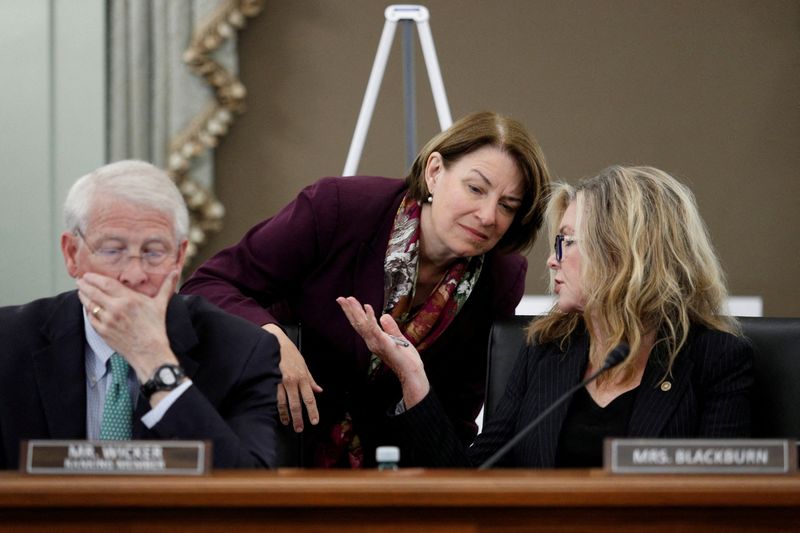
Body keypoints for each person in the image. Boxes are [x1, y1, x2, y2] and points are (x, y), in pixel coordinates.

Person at [180, 111, 551, 467]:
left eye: (507, 205)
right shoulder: (339, 207)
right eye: (475, 188)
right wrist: (271, 341)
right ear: (435, 171)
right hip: (277, 446)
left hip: (392, 478)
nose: (488, 215)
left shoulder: (501, 277)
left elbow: (456, 419)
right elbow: (207, 285)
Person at [338, 165, 754, 468]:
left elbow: (721, 507)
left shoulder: (714, 361)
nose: (553, 263)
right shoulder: (546, 351)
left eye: (568, 243)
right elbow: (473, 482)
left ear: (626, 254)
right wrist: (414, 380)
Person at [0, 160, 281, 470]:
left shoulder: (243, 351)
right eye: (112, 250)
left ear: (178, 258)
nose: (134, 275)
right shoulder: (8, 342)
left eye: (153, 252)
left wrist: (154, 361)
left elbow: (247, 493)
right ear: (72, 255)